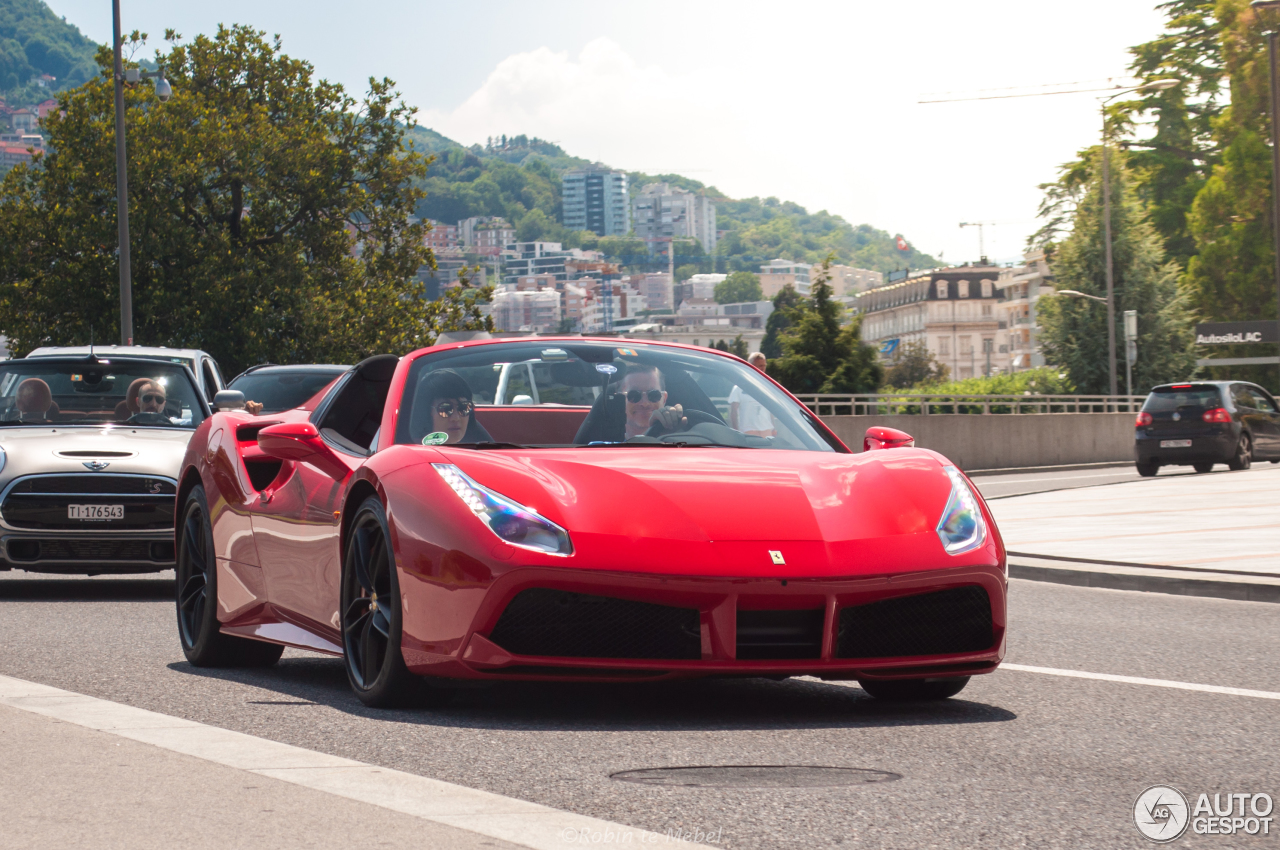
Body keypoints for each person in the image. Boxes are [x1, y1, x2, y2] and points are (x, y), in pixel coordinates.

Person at [414, 369, 487, 444]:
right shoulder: (410, 451)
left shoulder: (481, 449)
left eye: (464, 408)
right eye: (445, 409)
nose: (456, 418)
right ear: (425, 413)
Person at [619, 365, 686, 440]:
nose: (645, 404)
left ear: (664, 399)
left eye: (653, 395)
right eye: (634, 395)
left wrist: (673, 430)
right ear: (620, 400)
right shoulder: (605, 441)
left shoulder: (680, 440)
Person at [728, 352, 776, 437]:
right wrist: (736, 431)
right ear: (751, 366)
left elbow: (771, 409)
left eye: (764, 365)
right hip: (748, 431)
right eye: (760, 366)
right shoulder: (739, 388)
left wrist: (774, 428)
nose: (762, 368)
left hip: (766, 430)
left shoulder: (768, 387)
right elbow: (733, 411)